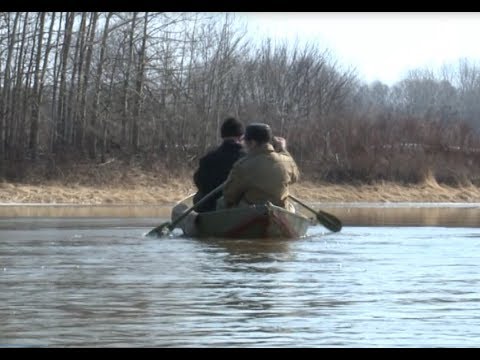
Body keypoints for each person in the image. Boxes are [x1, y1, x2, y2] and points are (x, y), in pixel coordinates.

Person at [221, 123, 299, 211]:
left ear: (253, 143)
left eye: (246, 142)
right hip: (281, 213)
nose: (244, 145)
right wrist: (283, 149)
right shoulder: (286, 161)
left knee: (220, 203)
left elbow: (229, 195)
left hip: (252, 214)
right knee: (291, 208)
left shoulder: (243, 165)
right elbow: (295, 177)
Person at [192, 117, 247, 212]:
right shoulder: (248, 158)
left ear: (222, 136)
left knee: (197, 198)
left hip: (209, 208)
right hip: (237, 210)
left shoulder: (208, 158)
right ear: (241, 137)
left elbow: (199, 181)